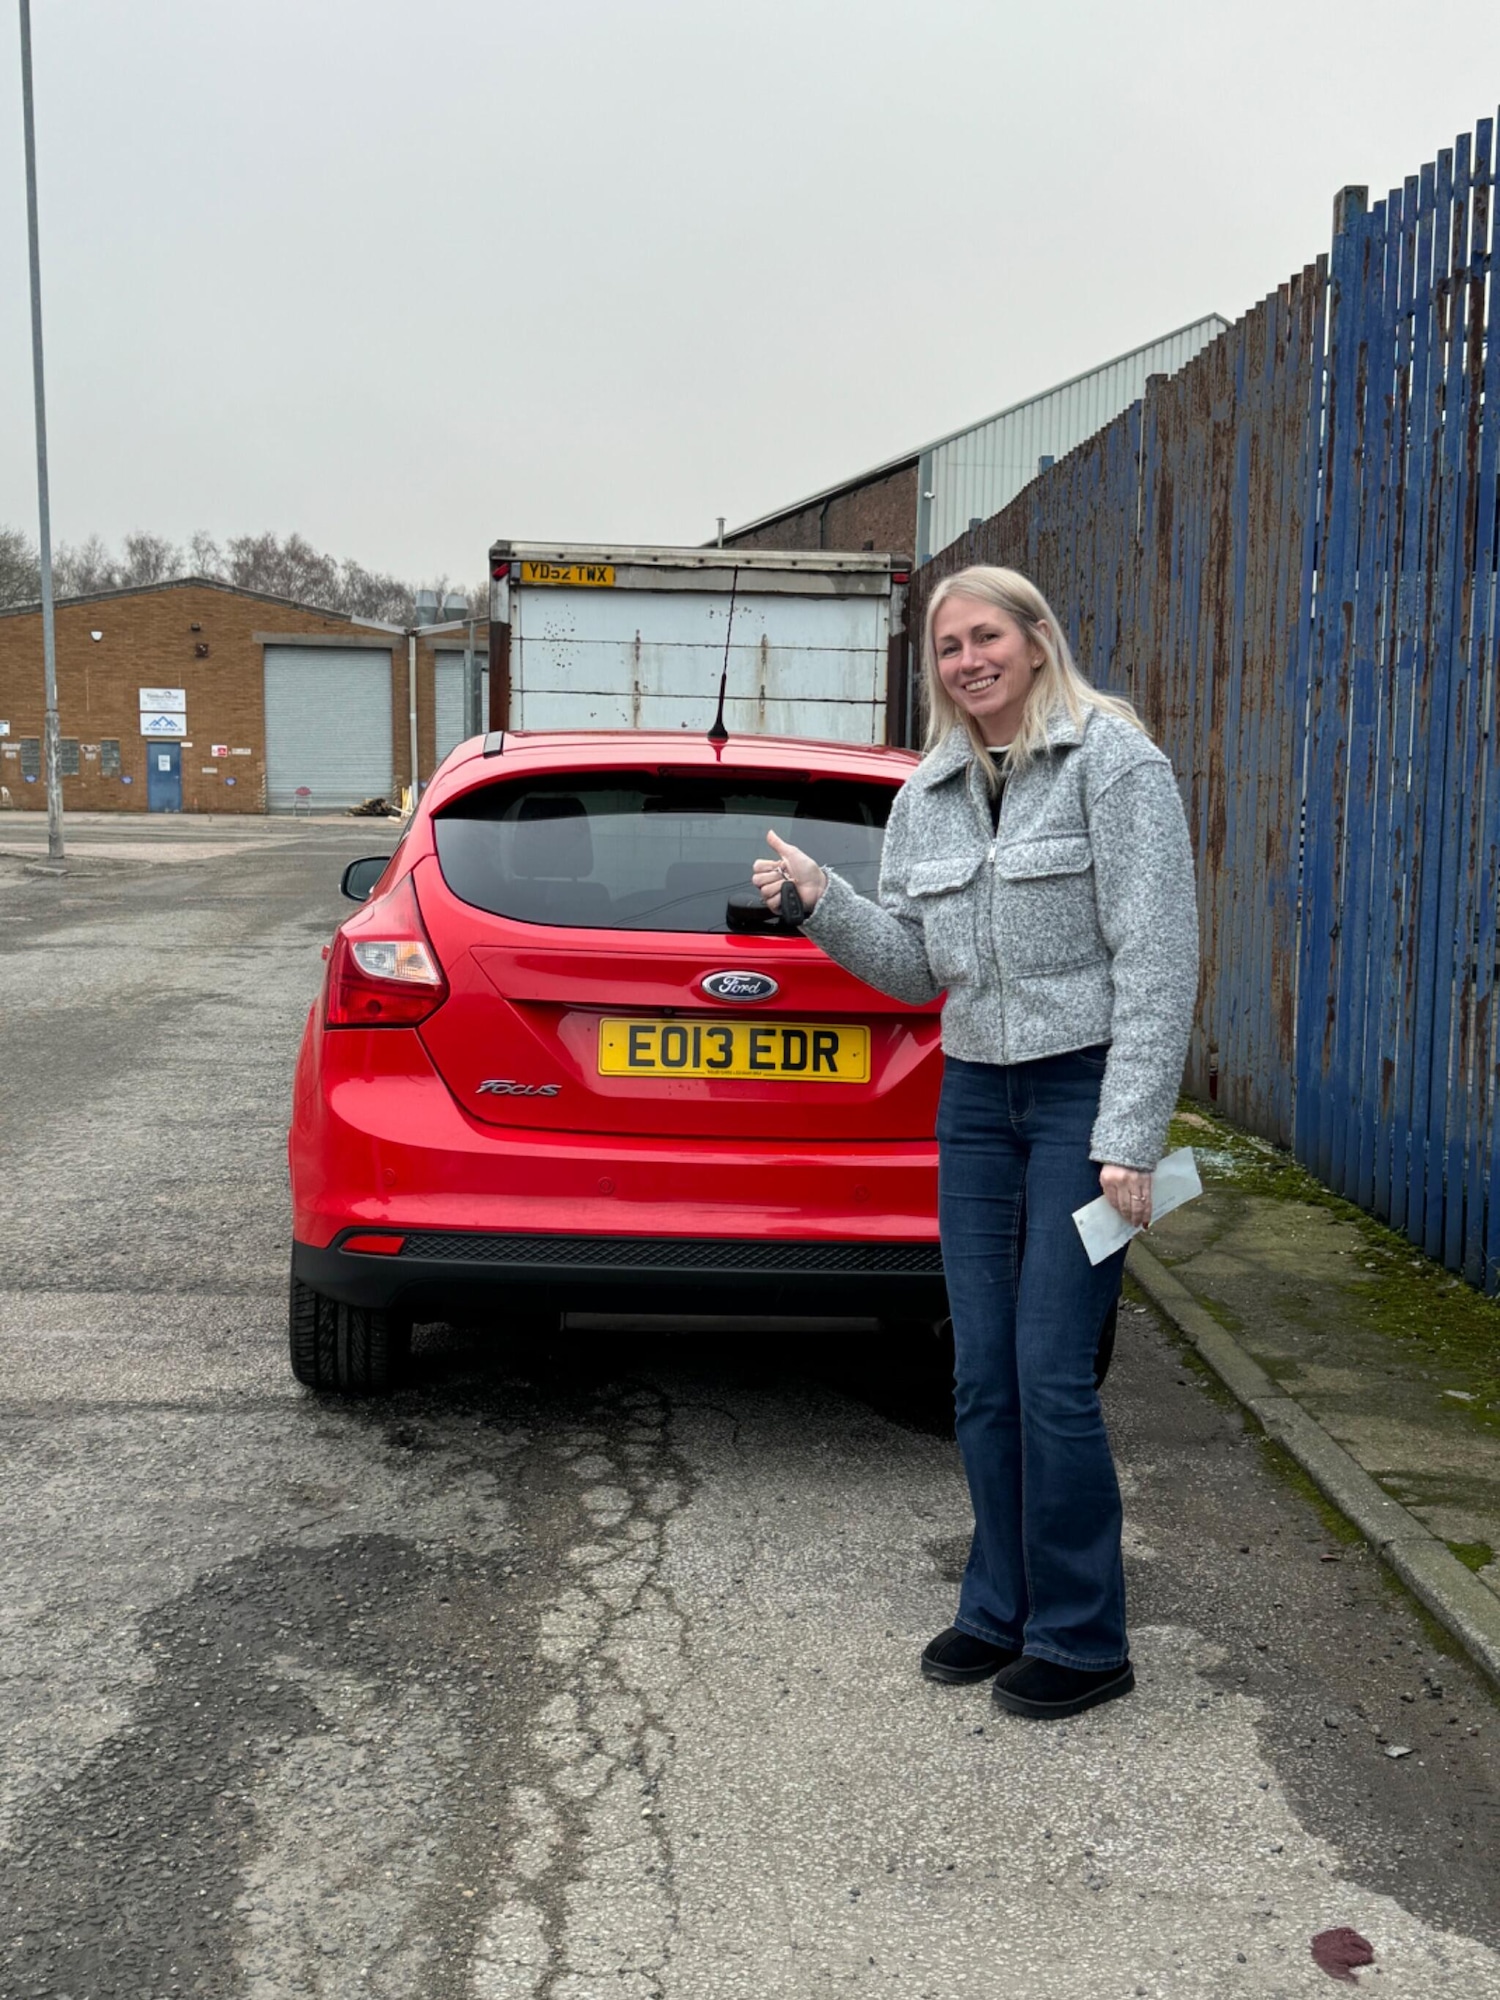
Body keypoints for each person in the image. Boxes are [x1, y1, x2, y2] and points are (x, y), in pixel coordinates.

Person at [751, 565, 1197, 1721]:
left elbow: (1157, 959)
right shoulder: (929, 793)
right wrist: (820, 902)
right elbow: (916, 967)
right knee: (982, 1371)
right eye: (947, 646)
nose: (966, 659)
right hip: (975, 1099)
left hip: (1080, 1093)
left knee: (1053, 1373)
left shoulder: (1114, 763)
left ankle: (1085, 1632)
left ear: (1038, 638)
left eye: (985, 634)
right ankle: (999, 1602)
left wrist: (1131, 1136)